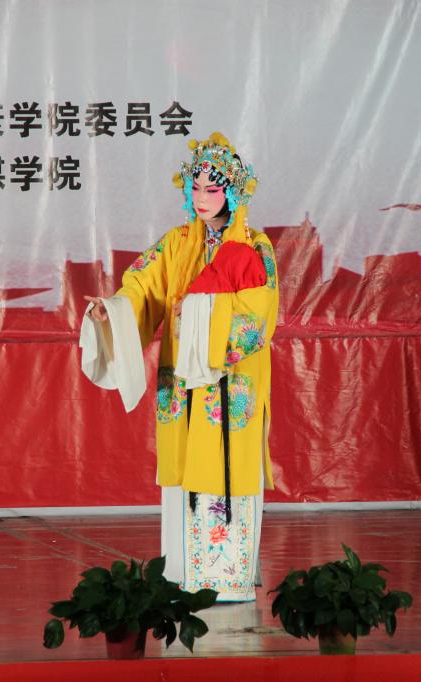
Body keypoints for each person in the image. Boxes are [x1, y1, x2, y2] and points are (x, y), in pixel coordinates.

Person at [83, 132, 279, 602]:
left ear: (233, 193)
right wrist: (115, 309)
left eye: (213, 189)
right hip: (183, 383)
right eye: (196, 188)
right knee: (183, 470)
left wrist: (200, 318)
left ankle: (226, 579)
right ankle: (181, 572)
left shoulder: (253, 247)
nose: (202, 197)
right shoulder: (176, 244)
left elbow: (258, 316)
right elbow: (142, 286)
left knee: (225, 466)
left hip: (228, 383)